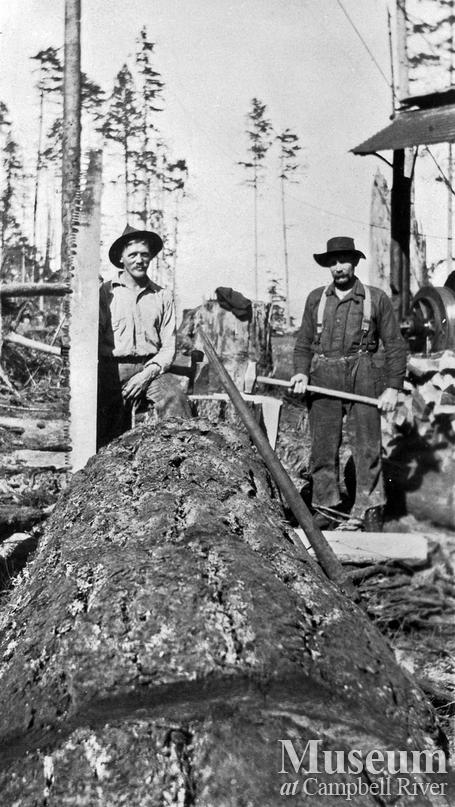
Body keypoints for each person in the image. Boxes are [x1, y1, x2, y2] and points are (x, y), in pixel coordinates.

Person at [290, 236, 406, 532]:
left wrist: (393, 386)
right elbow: (303, 343)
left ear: (355, 262)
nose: (338, 267)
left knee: (368, 445)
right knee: (323, 446)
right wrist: (302, 372)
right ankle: (327, 506)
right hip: (324, 371)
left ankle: (370, 508)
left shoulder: (376, 298)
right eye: (333, 262)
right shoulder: (316, 298)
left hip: (363, 372)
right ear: (328, 265)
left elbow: (394, 345)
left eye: (344, 260)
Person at [97, 225, 191, 448]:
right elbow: (92, 339)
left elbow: (168, 347)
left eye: (144, 254)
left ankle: (182, 460)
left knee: (175, 399)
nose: (139, 260)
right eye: (133, 255)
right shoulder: (105, 293)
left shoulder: (162, 296)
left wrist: (147, 374)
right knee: (107, 432)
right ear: (121, 259)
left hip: (151, 369)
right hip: (111, 371)